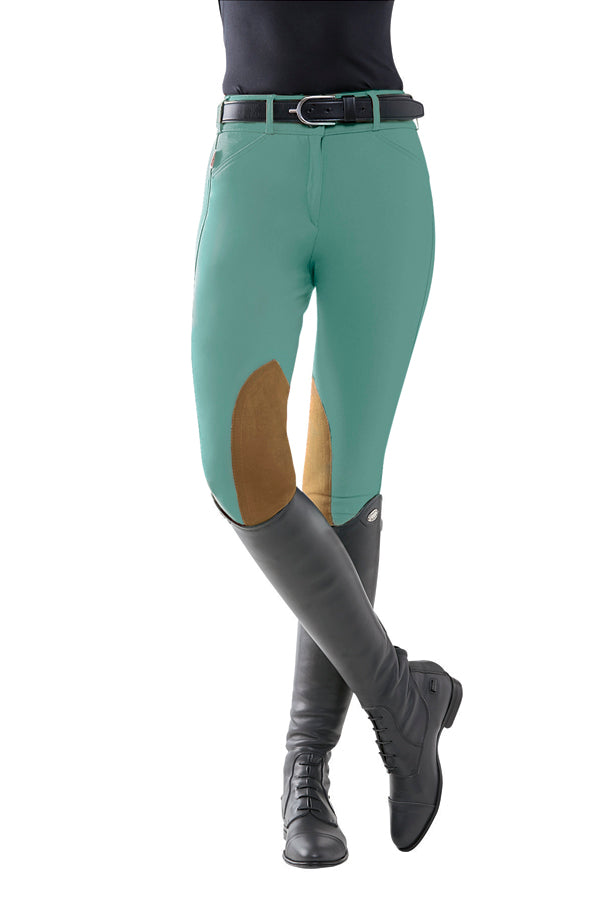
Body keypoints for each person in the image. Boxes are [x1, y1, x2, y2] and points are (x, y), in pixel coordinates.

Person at [191, 1, 462, 868]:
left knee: (342, 483)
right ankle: (402, 705)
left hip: (380, 166)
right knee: (240, 472)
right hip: (256, 162)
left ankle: (306, 771)